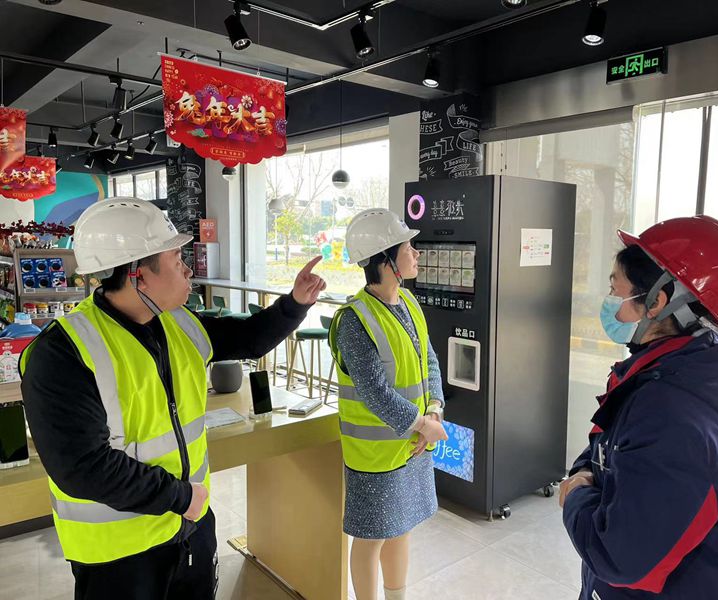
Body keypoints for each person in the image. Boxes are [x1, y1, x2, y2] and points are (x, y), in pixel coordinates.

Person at [20, 198, 326, 600]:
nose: (188, 269)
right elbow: (82, 467)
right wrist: (181, 497)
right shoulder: (62, 352)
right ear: (138, 275)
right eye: (177, 258)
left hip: (190, 530)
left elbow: (248, 338)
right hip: (119, 556)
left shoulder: (179, 323)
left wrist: (295, 303)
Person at [560, 215, 718, 599]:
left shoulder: (672, 412)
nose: (609, 302)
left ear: (658, 301)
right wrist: (584, 469)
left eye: (615, 289)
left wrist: (575, 495)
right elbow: (612, 440)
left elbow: (619, 557)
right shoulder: (664, 373)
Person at [328, 208, 448, 600]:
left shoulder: (409, 303)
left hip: (412, 444)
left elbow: (429, 360)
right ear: (385, 260)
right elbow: (374, 392)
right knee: (371, 537)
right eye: (408, 247)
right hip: (376, 455)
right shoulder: (354, 320)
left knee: (401, 527)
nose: (416, 253)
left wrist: (434, 410)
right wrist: (424, 425)